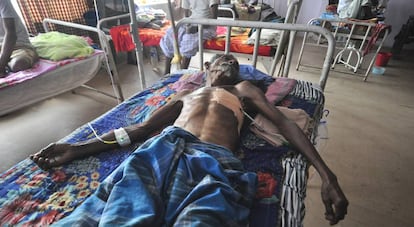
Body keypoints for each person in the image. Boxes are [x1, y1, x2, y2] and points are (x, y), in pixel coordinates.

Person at [31, 54, 348, 226]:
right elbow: (140, 131)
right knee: (124, 209)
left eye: (234, 64)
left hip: (214, 159)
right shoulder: (185, 93)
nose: (228, 64)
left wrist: (327, 174)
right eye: (221, 61)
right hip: (163, 148)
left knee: (205, 216)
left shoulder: (244, 91)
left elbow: (285, 125)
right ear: (207, 68)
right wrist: (77, 148)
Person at [160, 0, 219, 74]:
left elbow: (213, 20)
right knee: (171, 32)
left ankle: (180, 74)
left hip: (207, 26)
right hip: (192, 21)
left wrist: (197, 27)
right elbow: (186, 14)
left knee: (189, 39)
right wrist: (187, 24)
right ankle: (166, 73)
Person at [0, 0, 38, 78]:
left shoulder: (3, 2)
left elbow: (11, 35)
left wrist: (1, 65)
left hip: (19, 46)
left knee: (19, 64)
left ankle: (6, 64)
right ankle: (6, 63)